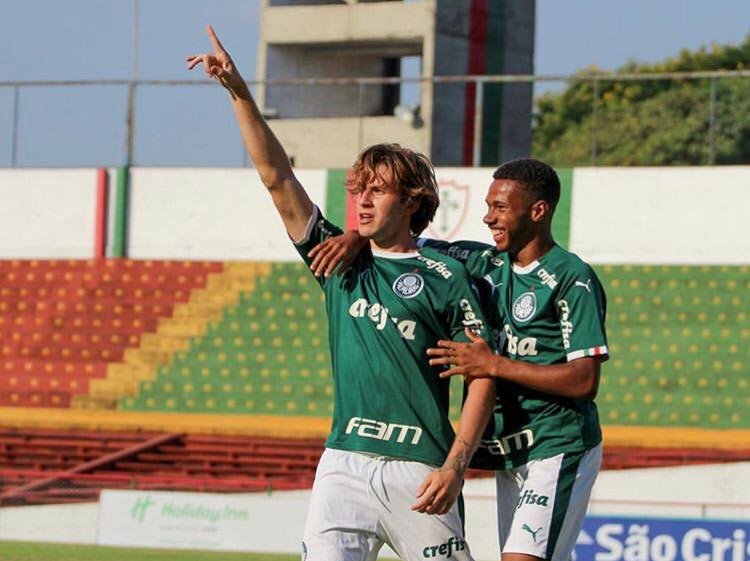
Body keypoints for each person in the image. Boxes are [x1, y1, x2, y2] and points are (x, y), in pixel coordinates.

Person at [187, 26, 495, 561]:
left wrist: (455, 465)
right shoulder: (335, 259)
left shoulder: (447, 274)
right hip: (343, 467)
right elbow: (277, 178)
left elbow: (482, 375)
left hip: (421, 471)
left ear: (412, 201)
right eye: (359, 190)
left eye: (378, 190)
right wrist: (238, 91)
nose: (363, 200)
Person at [309, 158, 608, 561]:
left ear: (538, 211)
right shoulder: (481, 261)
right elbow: (399, 242)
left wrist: (495, 365)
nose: (488, 218)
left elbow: (584, 380)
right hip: (510, 449)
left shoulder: (572, 277)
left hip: (557, 444)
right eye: (487, 206)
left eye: (500, 208)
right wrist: (353, 238)